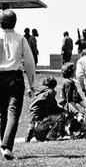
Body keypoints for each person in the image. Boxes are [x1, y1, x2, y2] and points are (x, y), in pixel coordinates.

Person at [0, 9, 35, 160]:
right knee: (13, 112)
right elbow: (29, 62)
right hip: (15, 77)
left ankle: (3, 144)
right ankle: (7, 145)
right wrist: (31, 84)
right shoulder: (21, 39)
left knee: (2, 113)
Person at [25, 76, 66, 142]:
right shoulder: (50, 92)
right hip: (40, 121)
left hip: (33, 119)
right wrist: (64, 110)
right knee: (61, 116)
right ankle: (50, 136)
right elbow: (54, 108)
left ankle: (33, 130)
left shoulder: (39, 92)